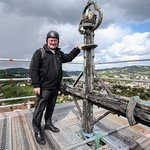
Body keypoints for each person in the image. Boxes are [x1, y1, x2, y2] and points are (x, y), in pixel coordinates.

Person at [30, 30, 83, 145]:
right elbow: (33, 69)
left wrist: (78, 49)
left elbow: (68, 57)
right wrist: (36, 85)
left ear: (58, 42)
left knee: (51, 106)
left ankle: (48, 124)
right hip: (44, 87)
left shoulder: (59, 54)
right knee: (40, 108)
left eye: (55, 40)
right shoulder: (40, 52)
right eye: (51, 40)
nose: (53, 42)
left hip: (55, 87)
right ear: (47, 41)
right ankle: (37, 129)